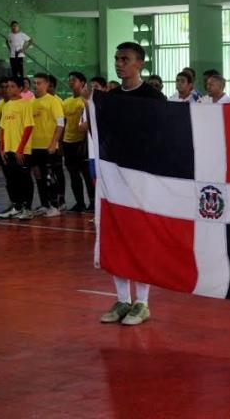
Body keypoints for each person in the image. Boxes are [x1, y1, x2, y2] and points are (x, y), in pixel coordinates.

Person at [99, 41, 165, 327]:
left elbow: (165, 137)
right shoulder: (111, 97)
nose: (119, 63)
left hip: (144, 177)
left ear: (139, 63)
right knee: (117, 235)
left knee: (141, 237)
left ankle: (143, 302)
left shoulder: (154, 97)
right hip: (115, 176)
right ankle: (122, 298)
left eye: (125, 59)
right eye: (116, 59)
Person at [0, 76, 35, 220]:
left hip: (22, 150)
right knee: (12, 179)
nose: (9, 89)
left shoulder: (25, 104)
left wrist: (20, 149)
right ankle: (17, 206)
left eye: (13, 86)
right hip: (8, 150)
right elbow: (3, 129)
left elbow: (28, 127)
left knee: (25, 178)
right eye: (8, 86)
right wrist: (1, 147)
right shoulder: (6, 106)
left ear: (20, 88)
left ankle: (27, 208)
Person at [29, 73, 64, 217]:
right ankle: (44, 204)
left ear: (47, 84)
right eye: (35, 83)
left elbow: (60, 125)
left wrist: (54, 143)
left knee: (49, 176)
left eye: (39, 83)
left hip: (48, 146)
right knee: (38, 176)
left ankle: (55, 206)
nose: (36, 86)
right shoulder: (31, 102)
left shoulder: (53, 101)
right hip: (34, 146)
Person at [63, 71, 94, 212]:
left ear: (82, 83)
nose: (71, 82)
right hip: (68, 142)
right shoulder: (66, 102)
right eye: (69, 80)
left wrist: (85, 142)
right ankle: (79, 202)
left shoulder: (85, 101)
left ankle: (92, 203)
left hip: (82, 143)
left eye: (74, 80)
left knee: (87, 175)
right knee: (73, 174)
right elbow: (63, 123)